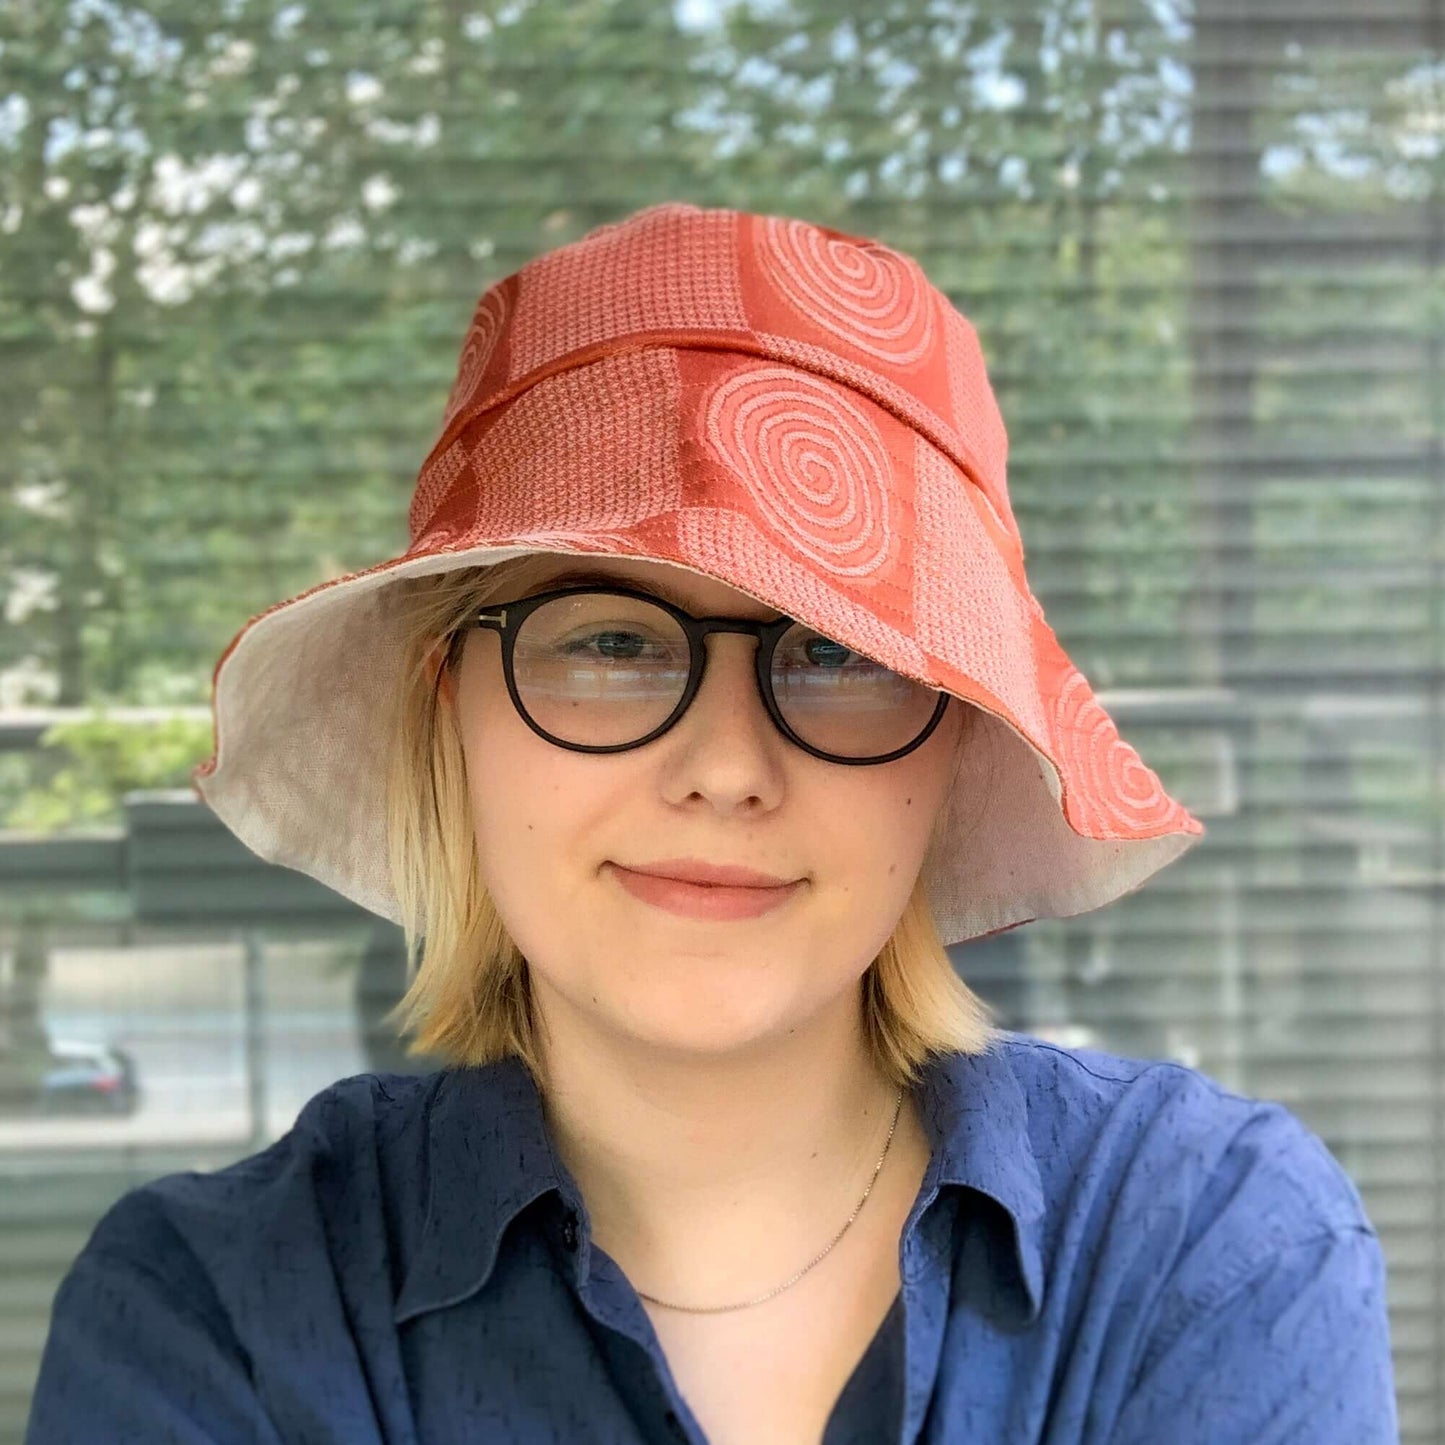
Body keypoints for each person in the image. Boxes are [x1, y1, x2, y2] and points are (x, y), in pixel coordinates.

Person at [24, 203, 1398, 1444]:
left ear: (954, 733)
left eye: (840, 653)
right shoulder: (218, 1314)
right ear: (456, 713)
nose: (726, 765)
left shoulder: (1200, 1244)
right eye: (612, 639)